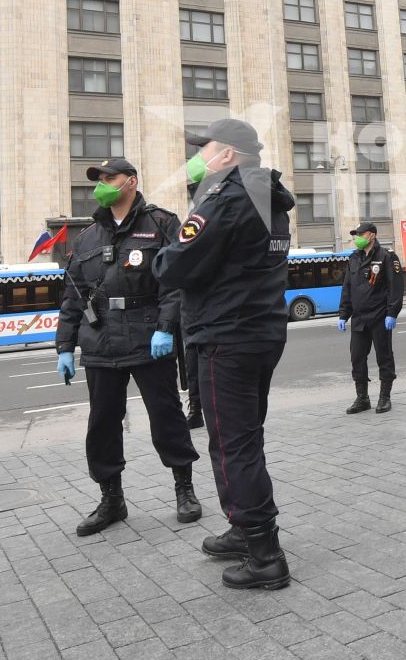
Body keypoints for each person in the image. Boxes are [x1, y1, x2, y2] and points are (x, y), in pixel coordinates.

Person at [153, 118, 295, 587]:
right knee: (245, 438)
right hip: (261, 331)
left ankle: (263, 553)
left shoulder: (226, 199)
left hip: (226, 335)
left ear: (228, 155)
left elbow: (175, 265)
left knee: (233, 444)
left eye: (204, 148)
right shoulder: (269, 197)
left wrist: (163, 252)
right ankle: (243, 528)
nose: (197, 156)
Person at [56, 157, 200, 536]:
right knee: (102, 423)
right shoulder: (86, 237)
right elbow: (73, 297)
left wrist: (167, 327)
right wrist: (64, 347)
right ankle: (111, 499)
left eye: (109, 178)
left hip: (148, 338)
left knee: (166, 416)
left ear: (131, 182)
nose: (102, 184)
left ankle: (184, 488)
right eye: (98, 179)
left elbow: (176, 284)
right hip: (100, 343)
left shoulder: (162, 224)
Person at [337, 222, 404, 414]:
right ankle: (362, 398)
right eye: (355, 234)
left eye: (360, 234)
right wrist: (343, 314)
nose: (357, 237)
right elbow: (347, 288)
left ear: (372, 235)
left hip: (380, 317)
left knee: (384, 357)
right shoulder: (354, 259)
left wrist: (392, 313)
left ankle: (385, 397)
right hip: (359, 319)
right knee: (357, 358)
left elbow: (395, 288)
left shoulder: (387, 257)